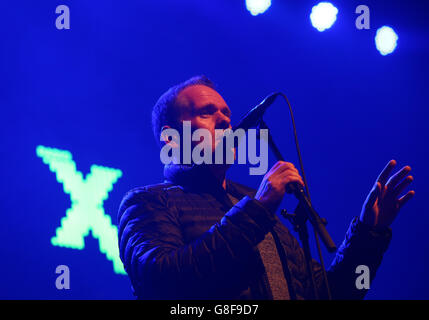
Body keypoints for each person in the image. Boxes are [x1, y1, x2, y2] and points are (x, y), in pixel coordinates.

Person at [117, 75, 415, 300]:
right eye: (207, 113)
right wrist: (258, 209)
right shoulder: (148, 203)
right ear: (171, 138)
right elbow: (161, 281)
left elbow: (330, 294)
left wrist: (369, 233)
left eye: (226, 114)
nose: (225, 122)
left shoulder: (253, 202)